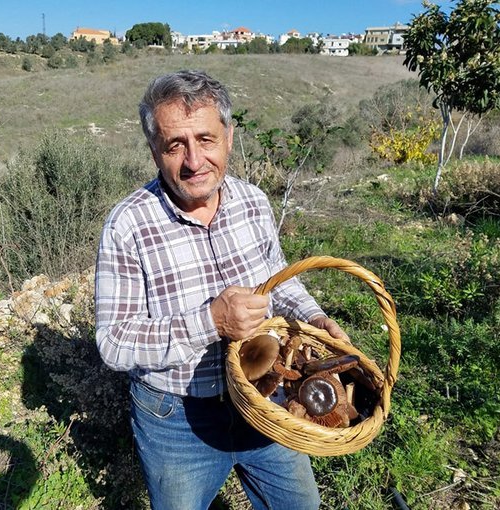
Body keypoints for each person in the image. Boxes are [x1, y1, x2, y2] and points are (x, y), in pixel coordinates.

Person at [95, 70, 349, 510]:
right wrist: (211, 322)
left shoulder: (253, 202)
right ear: (154, 151)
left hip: (266, 398)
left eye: (206, 139)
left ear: (229, 138)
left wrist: (313, 317)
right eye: (175, 145)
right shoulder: (128, 225)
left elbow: (279, 280)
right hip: (176, 419)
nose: (194, 161)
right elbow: (113, 342)